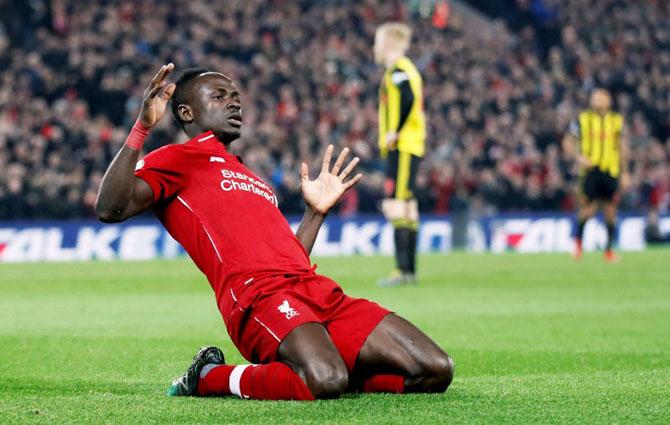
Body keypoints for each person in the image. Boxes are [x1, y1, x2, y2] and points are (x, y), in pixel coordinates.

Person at [95, 63, 453, 401]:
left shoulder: (254, 179)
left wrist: (315, 213)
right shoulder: (177, 159)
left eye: (235, 95)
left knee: (435, 370)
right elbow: (110, 208)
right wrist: (141, 129)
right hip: (257, 297)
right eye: (218, 96)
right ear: (187, 112)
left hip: (314, 290)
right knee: (325, 380)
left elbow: (291, 258)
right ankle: (209, 377)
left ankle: (319, 364)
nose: (233, 101)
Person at [374, 23, 426, 287]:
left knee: (396, 204)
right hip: (410, 144)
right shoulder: (404, 70)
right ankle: (410, 270)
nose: (375, 47)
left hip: (403, 145)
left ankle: (401, 269)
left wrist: (394, 131)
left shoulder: (398, 70)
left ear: (390, 43)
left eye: (378, 41)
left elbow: (407, 98)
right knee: (408, 206)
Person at [562, 88, 629, 262]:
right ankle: (577, 244)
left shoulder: (616, 120)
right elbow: (567, 142)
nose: (598, 100)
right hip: (590, 171)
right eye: (595, 97)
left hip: (610, 171)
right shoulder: (582, 120)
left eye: (602, 97)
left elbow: (622, 147)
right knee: (588, 210)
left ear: (609, 100)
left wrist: (625, 172)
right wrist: (579, 157)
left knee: (610, 210)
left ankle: (608, 250)